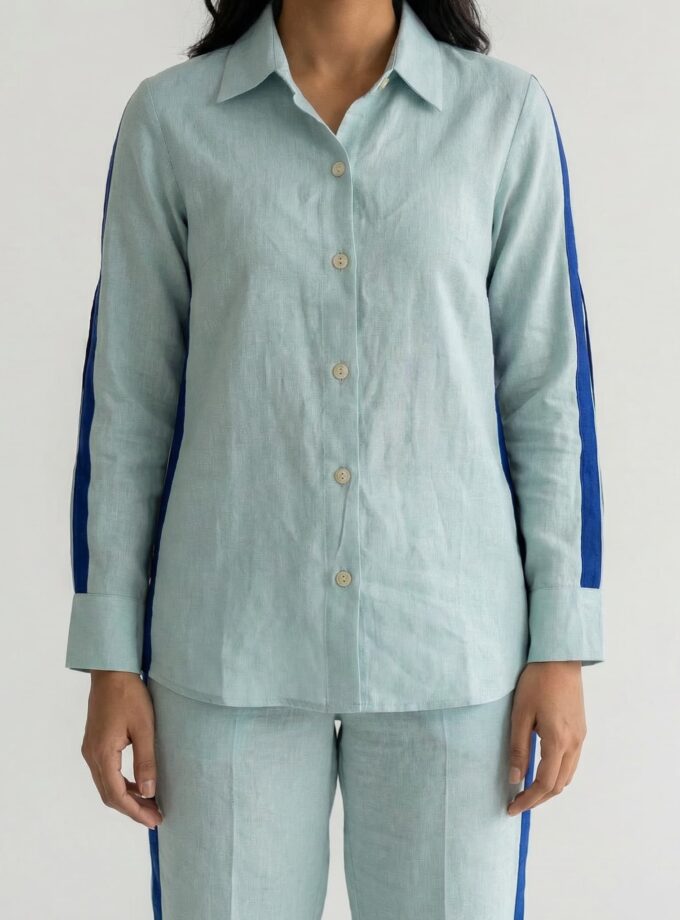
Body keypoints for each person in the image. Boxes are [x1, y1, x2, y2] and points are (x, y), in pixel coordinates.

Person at [64, 0, 605, 917]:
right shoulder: (172, 120)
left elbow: (548, 394)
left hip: (453, 651)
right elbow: (128, 405)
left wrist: (562, 644)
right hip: (226, 647)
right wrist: (111, 655)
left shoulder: (503, 115)